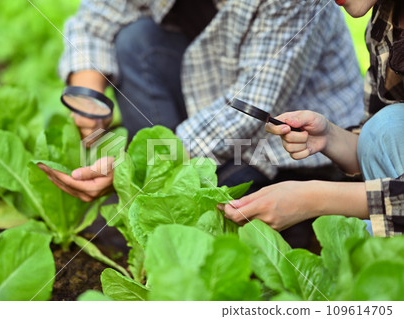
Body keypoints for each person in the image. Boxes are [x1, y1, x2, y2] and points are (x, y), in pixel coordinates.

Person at [40, 0, 364, 245]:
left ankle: (164, 199)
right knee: (137, 42)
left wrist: (136, 168)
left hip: (288, 146)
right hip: (208, 99)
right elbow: (100, 12)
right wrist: (87, 96)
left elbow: (249, 107)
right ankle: (157, 206)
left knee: (230, 215)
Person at [222, 0, 404, 237]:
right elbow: (381, 149)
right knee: (382, 128)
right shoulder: (383, 22)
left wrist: (312, 199)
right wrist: (328, 137)